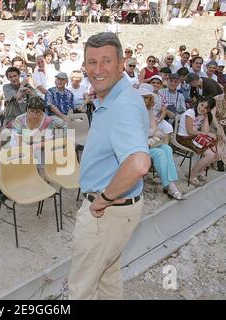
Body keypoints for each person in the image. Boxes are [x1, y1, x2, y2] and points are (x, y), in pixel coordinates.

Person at [68, 32, 150, 300]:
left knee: (82, 287)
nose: (98, 69)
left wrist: (102, 200)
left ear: (120, 64)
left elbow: (138, 163)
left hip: (107, 212)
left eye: (105, 61)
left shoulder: (122, 105)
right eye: (91, 62)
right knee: (107, 278)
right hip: (120, 210)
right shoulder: (118, 96)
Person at [138, 83, 183, 200]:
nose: (143, 99)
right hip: (138, 145)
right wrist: (153, 132)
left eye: (146, 97)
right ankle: (170, 186)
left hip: (147, 142)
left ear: (150, 99)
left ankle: (169, 184)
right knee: (160, 153)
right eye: (141, 96)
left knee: (167, 148)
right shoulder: (133, 111)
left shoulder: (149, 110)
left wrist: (153, 131)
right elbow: (137, 133)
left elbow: (155, 127)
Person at [177, 98, 219, 187]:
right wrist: (206, 134)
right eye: (202, 105)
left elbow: (205, 130)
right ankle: (192, 176)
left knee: (217, 153)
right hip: (184, 137)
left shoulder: (203, 114)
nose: (202, 108)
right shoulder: (190, 113)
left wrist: (206, 116)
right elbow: (189, 131)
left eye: (207, 108)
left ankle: (199, 171)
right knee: (210, 155)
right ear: (199, 103)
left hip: (194, 137)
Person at [10, 96, 53, 165]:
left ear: (42, 111)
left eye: (38, 112)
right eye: (32, 111)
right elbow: (18, 141)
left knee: (42, 158)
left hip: (38, 144)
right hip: (21, 142)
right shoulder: (19, 120)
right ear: (27, 109)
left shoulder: (48, 120)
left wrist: (35, 146)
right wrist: (28, 149)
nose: (34, 115)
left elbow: (48, 141)